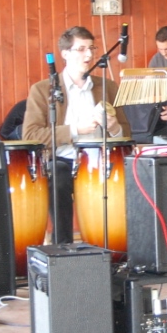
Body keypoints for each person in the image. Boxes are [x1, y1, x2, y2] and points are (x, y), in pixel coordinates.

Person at [22, 26, 131, 244]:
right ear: (65, 54)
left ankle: (117, 246)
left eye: (91, 48)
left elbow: (126, 133)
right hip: (63, 159)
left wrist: (114, 128)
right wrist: (76, 130)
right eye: (81, 49)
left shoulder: (108, 86)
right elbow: (31, 135)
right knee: (57, 176)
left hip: (101, 160)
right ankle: (62, 247)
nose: (89, 55)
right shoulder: (42, 90)